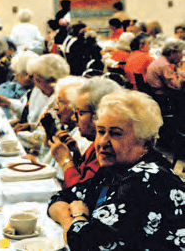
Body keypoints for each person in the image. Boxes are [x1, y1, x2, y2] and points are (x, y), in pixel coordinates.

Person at [47, 89, 183, 250]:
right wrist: (68, 218)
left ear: (144, 143)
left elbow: (82, 242)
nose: (103, 142)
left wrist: (78, 216)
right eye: (101, 131)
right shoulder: (113, 170)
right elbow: (59, 198)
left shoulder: (146, 178)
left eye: (116, 134)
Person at [49, 78, 121, 188]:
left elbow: (81, 192)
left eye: (80, 113)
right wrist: (76, 155)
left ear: (99, 114)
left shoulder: (107, 149)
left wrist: (66, 161)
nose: (74, 118)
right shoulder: (94, 143)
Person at [13, 53, 71, 133]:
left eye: (38, 80)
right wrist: (31, 126)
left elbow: (51, 133)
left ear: (52, 80)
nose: (36, 85)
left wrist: (19, 134)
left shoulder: (61, 101)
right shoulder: (44, 93)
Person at [0, 51, 39, 119]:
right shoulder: (29, 91)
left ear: (27, 74)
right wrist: (8, 103)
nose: (16, 78)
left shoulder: (36, 92)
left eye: (17, 74)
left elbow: (29, 116)